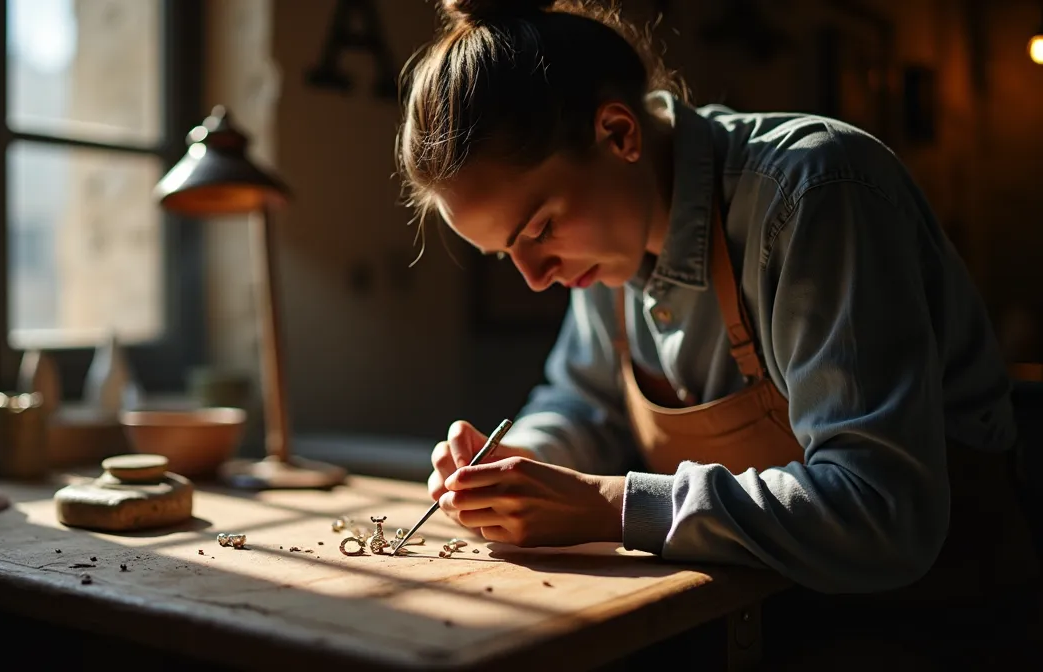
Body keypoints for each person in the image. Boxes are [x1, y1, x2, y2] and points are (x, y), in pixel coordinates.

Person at [398, 0, 1038, 661]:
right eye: (507, 254)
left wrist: (611, 505)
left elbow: (881, 510)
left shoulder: (814, 193)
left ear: (618, 134)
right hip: (772, 614)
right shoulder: (607, 245)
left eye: (539, 229)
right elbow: (584, 403)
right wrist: (517, 462)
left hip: (937, 626)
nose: (536, 277)